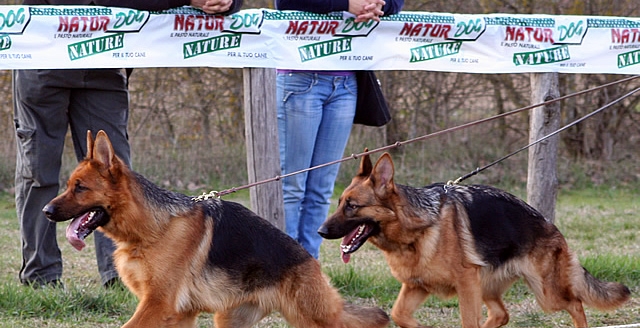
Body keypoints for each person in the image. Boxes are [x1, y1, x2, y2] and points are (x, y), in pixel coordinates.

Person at [13, 0, 243, 288]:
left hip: (107, 64)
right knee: (38, 170)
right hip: (42, 57)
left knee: (114, 176)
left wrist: (227, 2)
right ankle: (40, 278)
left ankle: (119, 276)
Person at [275, 0, 404, 259]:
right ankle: (280, 270)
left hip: (346, 82)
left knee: (322, 188)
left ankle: (309, 268)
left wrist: (379, 5)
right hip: (300, 77)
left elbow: (395, 2)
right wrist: (348, 4)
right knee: (291, 186)